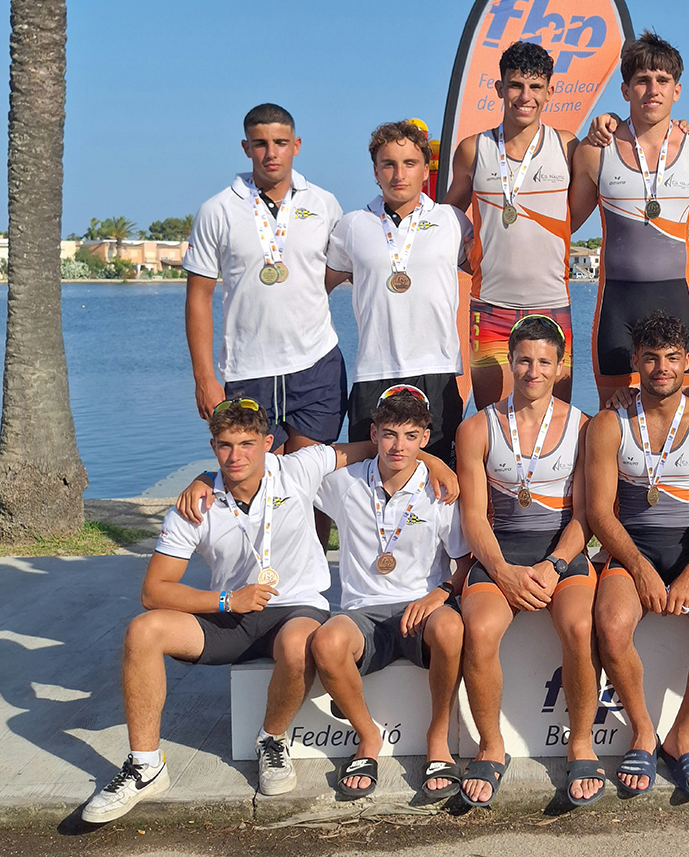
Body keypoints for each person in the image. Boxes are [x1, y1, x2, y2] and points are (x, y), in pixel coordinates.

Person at [81, 398, 360, 823]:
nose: (236, 456)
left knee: (299, 643)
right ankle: (145, 766)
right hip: (230, 616)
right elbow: (154, 591)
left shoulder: (298, 468)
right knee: (143, 630)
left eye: (247, 444)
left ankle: (271, 740)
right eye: (226, 445)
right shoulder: (196, 504)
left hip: (295, 608)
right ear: (213, 447)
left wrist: (435, 465)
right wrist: (228, 600)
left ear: (268, 443)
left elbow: (374, 447)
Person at [583, 312, 689, 797]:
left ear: (688, 362)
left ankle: (681, 735)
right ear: (636, 361)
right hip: (631, 552)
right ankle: (643, 732)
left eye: (672, 358)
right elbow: (599, 513)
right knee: (612, 626)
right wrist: (639, 569)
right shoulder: (609, 423)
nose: (662, 368)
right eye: (651, 358)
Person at [454, 315, 604, 808]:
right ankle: (490, 746)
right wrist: (502, 571)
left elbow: (585, 517)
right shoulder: (476, 428)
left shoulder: (584, 427)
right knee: (479, 631)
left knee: (580, 627)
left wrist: (554, 565)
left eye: (544, 362)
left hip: (561, 555)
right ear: (510, 363)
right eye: (523, 361)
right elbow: (473, 518)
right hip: (501, 554)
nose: (533, 371)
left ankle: (580, 743)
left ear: (561, 368)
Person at [301, 387, 470, 800]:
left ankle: (437, 739)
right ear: (374, 433)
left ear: (425, 438)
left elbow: (465, 561)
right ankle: (368, 737)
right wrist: (204, 479)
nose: (399, 446)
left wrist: (440, 593)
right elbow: (283, 470)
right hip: (362, 613)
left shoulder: (439, 490)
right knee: (326, 641)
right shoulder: (342, 483)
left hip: (422, 609)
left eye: (411, 436)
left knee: (451, 628)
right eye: (390, 434)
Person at [569, 32, 689, 407]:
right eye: (642, 80)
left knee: (676, 421)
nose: (653, 89)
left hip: (676, 301)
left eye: (662, 80)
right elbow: (562, 226)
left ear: (677, 90)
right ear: (625, 90)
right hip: (616, 308)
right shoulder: (595, 151)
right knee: (612, 420)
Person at [185, 103, 346, 452]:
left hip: (316, 366)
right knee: (257, 476)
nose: (271, 153)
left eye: (281, 143)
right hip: (248, 371)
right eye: (260, 143)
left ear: (296, 145)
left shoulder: (324, 204)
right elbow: (198, 296)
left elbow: (340, 270)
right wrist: (204, 377)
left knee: (308, 474)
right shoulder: (217, 211)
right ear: (246, 148)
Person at [326, 121, 471, 465]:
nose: (399, 174)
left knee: (438, 476)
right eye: (388, 164)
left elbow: (487, 276)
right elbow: (318, 292)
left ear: (425, 169)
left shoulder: (452, 221)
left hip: (436, 369)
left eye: (409, 163)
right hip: (373, 371)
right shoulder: (352, 225)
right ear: (375, 171)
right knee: (369, 476)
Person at [445, 42, 581, 409]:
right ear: (499, 88)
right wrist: (465, 256)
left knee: (554, 418)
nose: (525, 96)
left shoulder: (567, 146)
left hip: (551, 303)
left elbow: (578, 213)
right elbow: (445, 217)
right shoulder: (473, 149)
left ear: (550, 92)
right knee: (493, 418)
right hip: (491, 305)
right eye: (516, 85)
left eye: (536, 87)